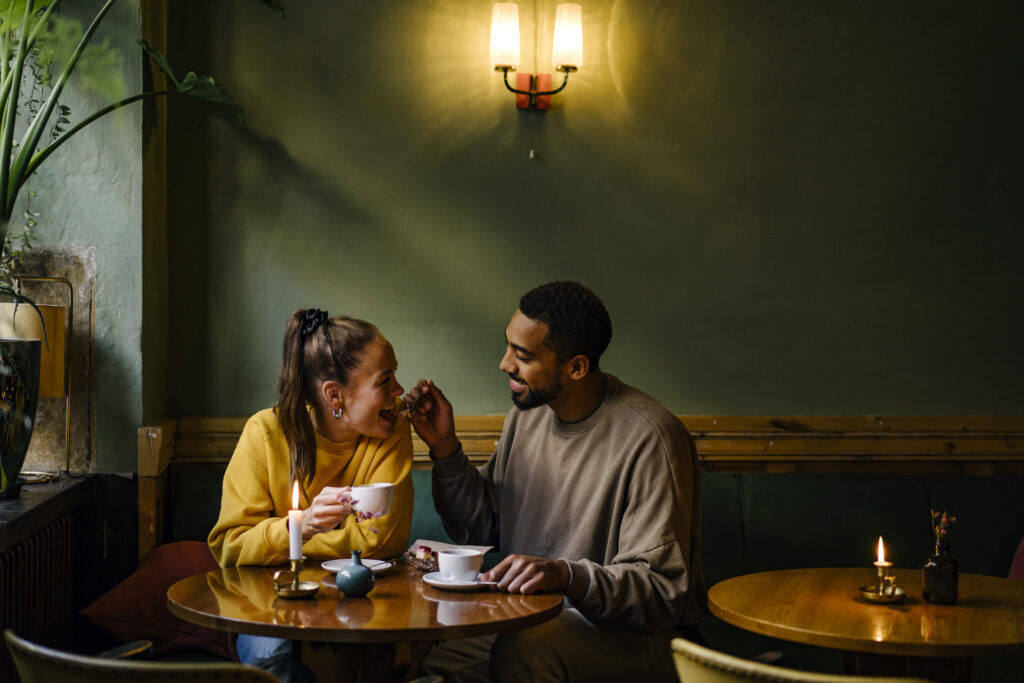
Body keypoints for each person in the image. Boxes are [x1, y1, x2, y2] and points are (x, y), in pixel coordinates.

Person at [408, 281, 708, 683]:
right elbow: (483, 528)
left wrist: (568, 575)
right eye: (508, 346)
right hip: (533, 621)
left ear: (577, 367)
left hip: (640, 640)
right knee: (426, 661)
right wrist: (445, 449)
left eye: (523, 355)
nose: (504, 364)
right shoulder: (528, 414)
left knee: (525, 649)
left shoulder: (652, 438)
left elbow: (660, 593)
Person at [208, 308, 414, 682]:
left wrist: (286, 545)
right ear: (335, 394)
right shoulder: (265, 433)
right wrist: (297, 529)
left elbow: (382, 539)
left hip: (360, 604)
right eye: (385, 381)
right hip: (270, 607)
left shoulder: (392, 427)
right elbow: (229, 547)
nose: (399, 391)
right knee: (276, 662)